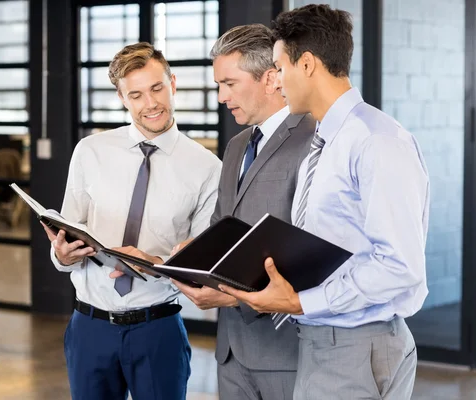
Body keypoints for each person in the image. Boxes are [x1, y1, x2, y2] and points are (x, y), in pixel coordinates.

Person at [220, 5, 430, 400]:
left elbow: (400, 268)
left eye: (280, 68)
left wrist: (301, 302)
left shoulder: (374, 141)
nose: (277, 83)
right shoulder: (328, 140)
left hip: (354, 344)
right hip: (324, 341)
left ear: (308, 65)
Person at [43, 42, 222, 400]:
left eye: (157, 88)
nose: (151, 103)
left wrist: (156, 264)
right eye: (136, 94)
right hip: (89, 327)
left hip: (157, 329)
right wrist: (62, 256)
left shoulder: (207, 168)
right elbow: (68, 231)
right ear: (122, 98)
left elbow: (202, 263)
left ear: (173, 83)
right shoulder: (90, 151)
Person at [169, 24, 315, 399]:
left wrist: (234, 296)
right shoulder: (236, 146)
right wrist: (190, 256)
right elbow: (224, 225)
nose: (221, 96)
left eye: (229, 84)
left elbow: (315, 250)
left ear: (270, 80)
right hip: (230, 353)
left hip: (286, 353)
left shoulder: (315, 139)